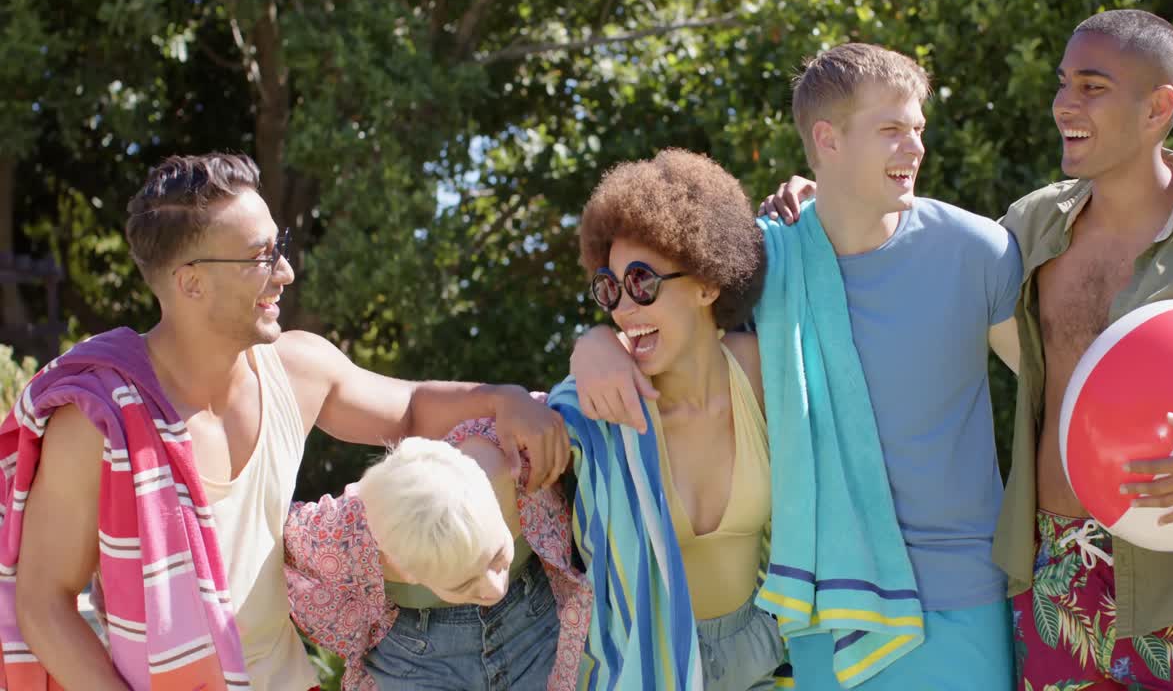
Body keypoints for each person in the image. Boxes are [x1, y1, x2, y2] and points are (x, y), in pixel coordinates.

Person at [0, 153, 568, 691]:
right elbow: (45, 604)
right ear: (191, 281)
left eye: (281, 248)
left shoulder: (295, 370)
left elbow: (413, 409)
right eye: (261, 256)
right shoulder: (99, 421)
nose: (286, 272)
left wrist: (502, 399)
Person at [576, 45, 1023, 690]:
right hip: (823, 604)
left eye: (918, 130)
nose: (915, 148)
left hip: (963, 595)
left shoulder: (977, 250)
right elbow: (669, 339)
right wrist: (592, 345)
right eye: (892, 130)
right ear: (827, 138)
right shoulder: (768, 266)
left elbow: (1048, 397)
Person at [996, 10, 1173, 688]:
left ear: (1159, 107)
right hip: (1054, 572)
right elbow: (918, 258)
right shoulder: (1030, 227)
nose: (1064, 102)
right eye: (1064, 83)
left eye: (1092, 86)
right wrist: (824, 202)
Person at [556, 148, 783, 690]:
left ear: (707, 283)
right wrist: (587, 345)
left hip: (765, 657)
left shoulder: (763, 373)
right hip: (642, 666)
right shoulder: (602, 407)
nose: (622, 309)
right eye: (609, 288)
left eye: (641, 281)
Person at [283, 429, 590, 691]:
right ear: (404, 569)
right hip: (417, 657)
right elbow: (258, 527)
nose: (494, 588)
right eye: (464, 582)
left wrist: (518, 406)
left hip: (533, 624)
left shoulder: (512, 461)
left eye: (496, 556)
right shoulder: (340, 539)